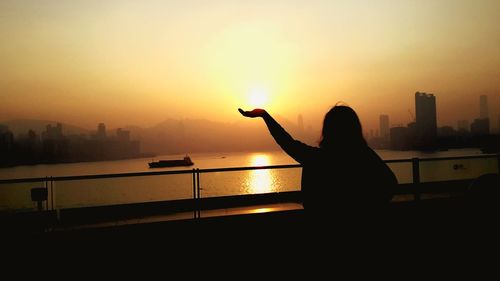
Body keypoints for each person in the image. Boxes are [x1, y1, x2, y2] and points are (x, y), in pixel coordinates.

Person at [238, 105, 397, 222]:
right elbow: (390, 184)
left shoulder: (316, 158)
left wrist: (265, 115)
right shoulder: (364, 156)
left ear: (328, 131)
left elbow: (287, 142)